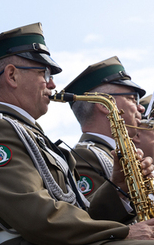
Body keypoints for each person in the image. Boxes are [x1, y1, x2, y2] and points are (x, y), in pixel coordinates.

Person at [0, 22, 154, 245]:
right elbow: (38, 218)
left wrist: (117, 188)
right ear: (12, 76)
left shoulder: (25, 131)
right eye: (44, 73)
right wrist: (123, 232)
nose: (52, 84)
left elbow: (80, 217)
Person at [63, 56, 146, 210]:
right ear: (105, 104)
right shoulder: (84, 156)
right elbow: (92, 217)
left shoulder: (110, 152)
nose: (141, 108)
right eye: (133, 98)